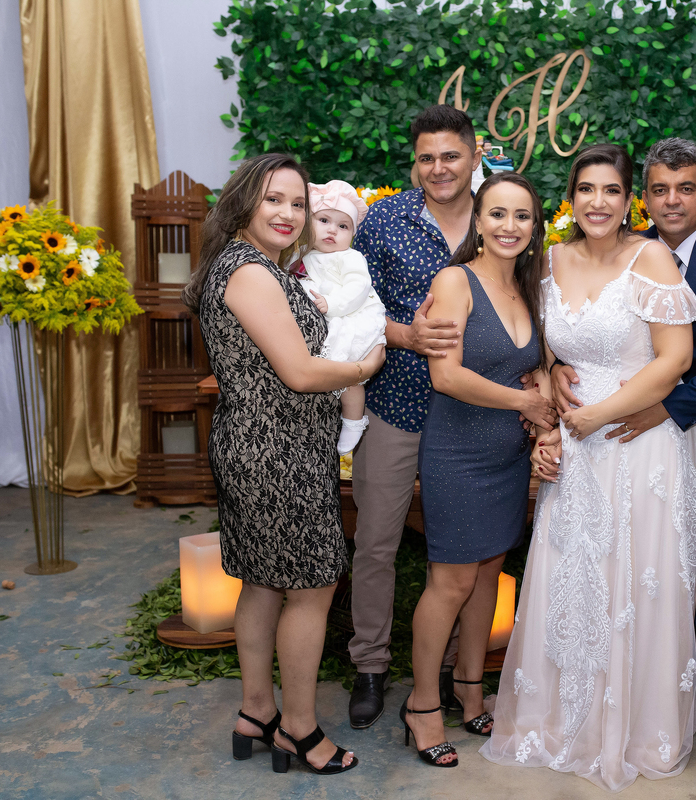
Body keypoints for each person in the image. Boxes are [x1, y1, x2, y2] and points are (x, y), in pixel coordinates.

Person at [551, 137, 696, 750]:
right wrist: (554, 365)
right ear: (645, 199)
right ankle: (669, 689)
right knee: (669, 573)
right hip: (645, 447)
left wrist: (666, 407)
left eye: (685, 189)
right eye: (660, 190)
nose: (672, 200)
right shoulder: (626, 252)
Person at [481, 144, 696, 792]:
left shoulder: (651, 258)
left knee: (637, 578)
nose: (598, 202)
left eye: (611, 190)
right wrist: (552, 375)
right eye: (586, 189)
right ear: (570, 199)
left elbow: (676, 359)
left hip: (640, 438)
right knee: (572, 574)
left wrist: (596, 416)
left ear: (629, 199)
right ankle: (562, 721)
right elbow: (541, 345)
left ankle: (633, 728)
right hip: (576, 446)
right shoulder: (549, 260)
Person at [184, 153, 384, 776]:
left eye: (298, 203)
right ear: (244, 201)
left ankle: (256, 712)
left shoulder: (255, 265)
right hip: (276, 452)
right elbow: (298, 372)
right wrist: (363, 367)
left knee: (263, 581)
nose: (289, 213)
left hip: (262, 445)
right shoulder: (250, 272)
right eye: (274, 199)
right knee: (312, 588)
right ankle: (298, 729)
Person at [402, 172, 555, 767]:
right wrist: (526, 403)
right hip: (458, 454)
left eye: (522, 215)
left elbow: (536, 364)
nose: (509, 226)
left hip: (507, 456)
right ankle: (422, 705)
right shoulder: (455, 281)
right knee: (451, 582)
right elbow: (446, 376)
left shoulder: (530, 287)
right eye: (497, 214)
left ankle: (470, 690)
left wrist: (545, 389)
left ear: (535, 226)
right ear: (479, 221)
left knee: (489, 573)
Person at [346, 104, 477, 728]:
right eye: (427, 157)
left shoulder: (500, 217)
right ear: (414, 163)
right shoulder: (384, 221)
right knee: (375, 542)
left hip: (474, 413)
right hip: (394, 403)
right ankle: (369, 665)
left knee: (458, 548)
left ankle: (449, 670)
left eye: (450, 155)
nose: (438, 168)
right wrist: (405, 335)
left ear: (474, 156)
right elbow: (353, 309)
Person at [298, 179, 387, 455]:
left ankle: (353, 421)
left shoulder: (350, 257)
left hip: (354, 317)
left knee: (350, 375)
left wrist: (332, 304)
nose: (332, 230)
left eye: (343, 226)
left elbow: (358, 288)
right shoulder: (303, 254)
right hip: (332, 317)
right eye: (323, 220)